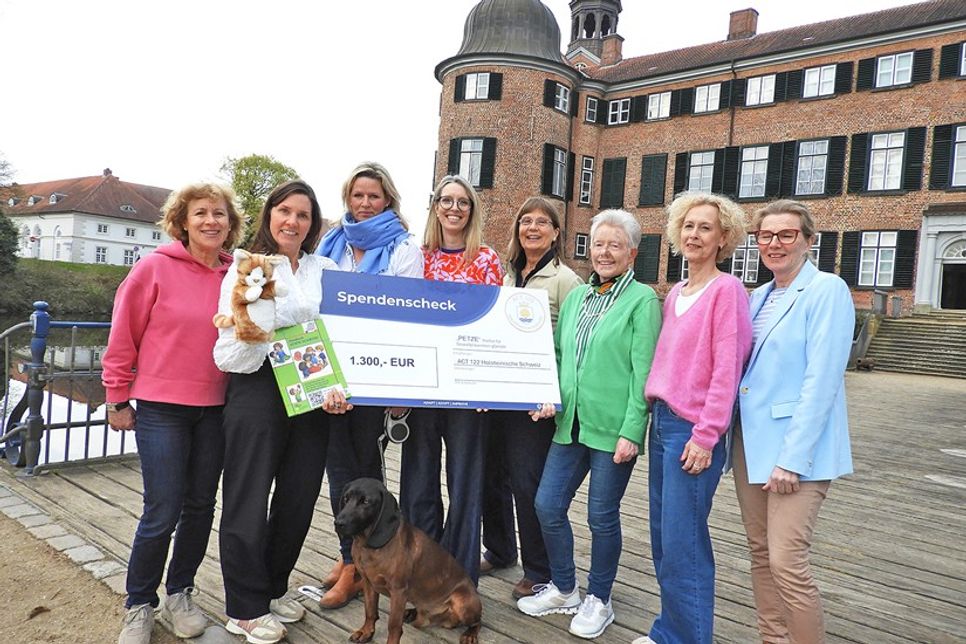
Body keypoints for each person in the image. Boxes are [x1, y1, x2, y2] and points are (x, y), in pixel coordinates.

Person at [102, 183, 242, 644]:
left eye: (219, 213)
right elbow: (123, 333)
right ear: (182, 221)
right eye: (200, 213)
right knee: (162, 509)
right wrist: (116, 396)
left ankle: (180, 592)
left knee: (200, 506)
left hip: (217, 408)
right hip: (162, 408)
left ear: (230, 223)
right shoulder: (153, 268)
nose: (210, 221)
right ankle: (139, 604)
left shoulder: (238, 275)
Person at [517, 209, 661, 640]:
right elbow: (560, 355)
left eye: (615, 245)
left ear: (632, 253)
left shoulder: (642, 301)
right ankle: (565, 588)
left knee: (601, 516)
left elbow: (643, 371)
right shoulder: (578, 296)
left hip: (613, 430)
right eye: (599, 244)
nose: (605, 252)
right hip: (570, 424)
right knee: (547, 505)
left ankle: (600, 598)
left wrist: (632, 431)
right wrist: (549, 395)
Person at [215, 180, 346, 644]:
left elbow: (342, 330)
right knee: (248, 496)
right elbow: (229, 350)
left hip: (312, 392)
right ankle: (244, 608)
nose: (292, 221)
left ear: (313, 224)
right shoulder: (248, 266)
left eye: (303, 215)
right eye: (284, 211)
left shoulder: (325, 268)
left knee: (298, 497)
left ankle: (272, 588)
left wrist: (337, 384)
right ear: (269, 214)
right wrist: (268, 322)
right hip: (258, 386)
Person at [633, 193, 753, 644]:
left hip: (694, 430)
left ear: (723, 238)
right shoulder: (675, 296)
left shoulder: (727, 291)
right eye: (688, 226)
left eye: (706, 227)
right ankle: (670, 630)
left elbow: (727, 370)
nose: (695, 234)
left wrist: (706, 436)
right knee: (664, 538)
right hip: (662, 424)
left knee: (685, 543)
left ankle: (686, 638)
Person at [734, 199, 854, 643]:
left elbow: (822, 381)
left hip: (796, 452)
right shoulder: (758, 297)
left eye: (786, 235)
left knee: (787, 560)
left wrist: (792, 459)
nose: (775, 243)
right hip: (750, 444)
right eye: (765, 235)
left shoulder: (826, 290)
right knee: (761, 553)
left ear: (808, 240)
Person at [314, 162, 423, 608]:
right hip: (331, 377)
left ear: (388, 200)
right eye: (357, 195)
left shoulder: (404, 249)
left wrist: (399, 390)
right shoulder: (330, 243)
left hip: (375, 377)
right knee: (337, 469)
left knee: (366, 474)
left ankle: (363, 565)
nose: (364, 203)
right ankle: (350, 559)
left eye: (373, 196)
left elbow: (409, 316)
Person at [400, 174, 504, 585]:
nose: (454, 208)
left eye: (463, 202)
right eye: (447, 200)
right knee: (419, 482)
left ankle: (459, 577)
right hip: (423, 384)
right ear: (435, 206)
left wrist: (488, 384)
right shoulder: (416, 256)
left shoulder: (486, 259)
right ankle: (422, 571)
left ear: (472, 209)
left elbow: (495, 327)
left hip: (467, 388)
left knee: (465, 484)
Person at [480, 197, 583, 600]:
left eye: (542, 222)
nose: (533, 228)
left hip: (535, 403)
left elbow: (573, 346)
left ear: (556, 233)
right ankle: (500, 548)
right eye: (526, 221)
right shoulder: (506, 275)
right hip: (499, 395)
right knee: (491, 475)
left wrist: (556, 396)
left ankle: (538, 568)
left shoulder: (565, 281)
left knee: (527, 482)